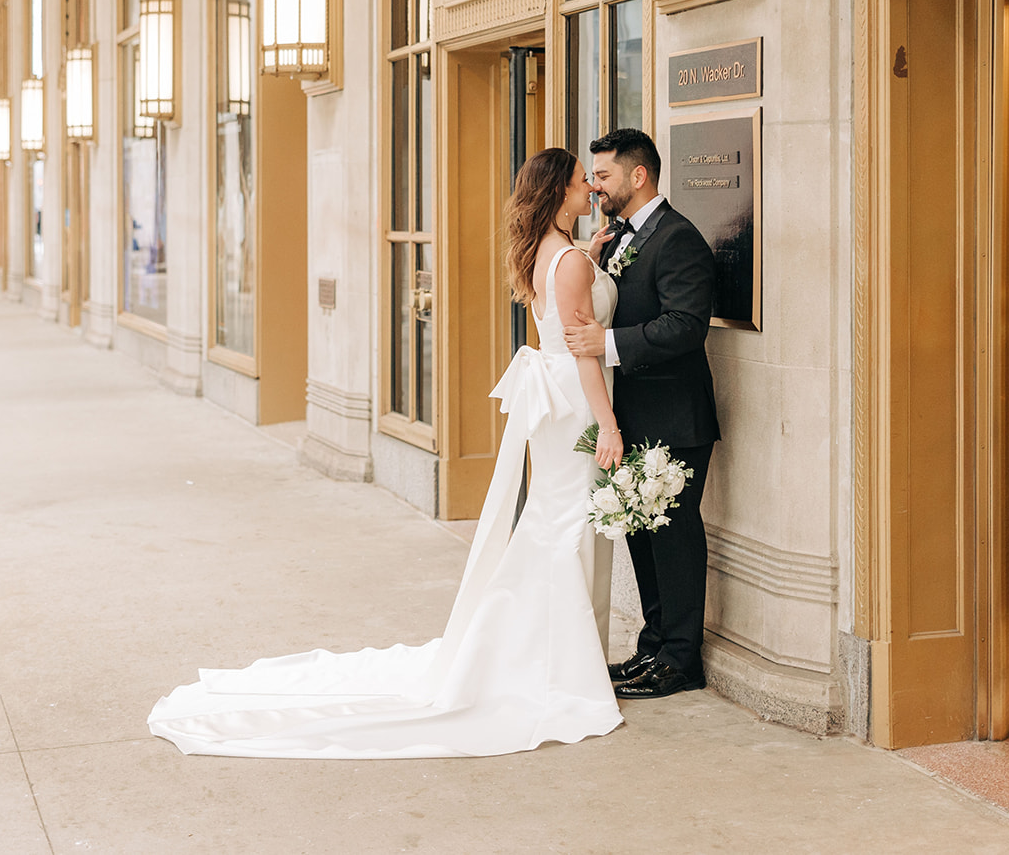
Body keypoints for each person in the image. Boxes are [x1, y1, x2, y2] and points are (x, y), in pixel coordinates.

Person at [148, 147, 624, 758]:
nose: (590, 189)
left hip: (552, 402)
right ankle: (562, 663)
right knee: (568, 523)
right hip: (576, 400)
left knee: (556, 519)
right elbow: (585, 350)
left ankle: (546, 650)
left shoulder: (549, 257)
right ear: (559, 192)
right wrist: (608, 423)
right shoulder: (572, 267)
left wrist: (591, 256)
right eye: (583, 181)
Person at [564, 127, 720, 699]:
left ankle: (681, 660)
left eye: (602, 175)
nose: (595, 186)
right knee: (642, 534)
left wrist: (605, 344)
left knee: (675, 538)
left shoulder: (678, 238)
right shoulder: (625, 235)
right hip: (634, 416)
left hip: (676, 416)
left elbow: (685, 326)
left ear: (639, 175)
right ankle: (652, 647)